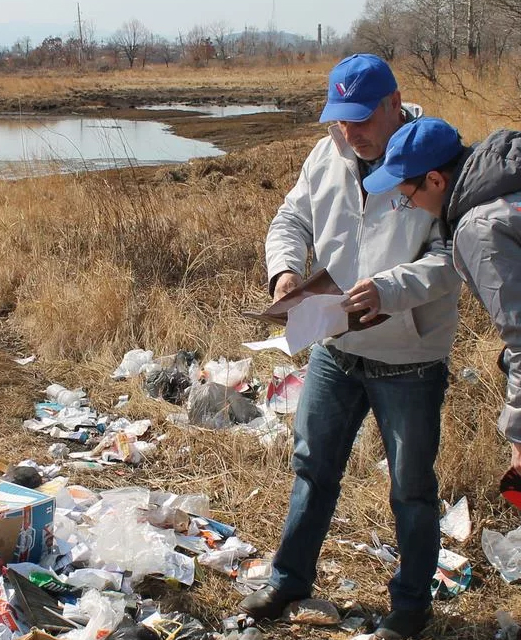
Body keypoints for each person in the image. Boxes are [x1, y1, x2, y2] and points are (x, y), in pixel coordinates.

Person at [240, 54, 461, 639]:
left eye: (361, 118)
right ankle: (289, 580)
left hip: (409, 359)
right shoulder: (328, 154)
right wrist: (285, 273)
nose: (349, 132)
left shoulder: (434, 157)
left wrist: (391, 289)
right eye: (339, 119)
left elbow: (451, 258)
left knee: (411, 488)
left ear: (394, 103)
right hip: (335, 348)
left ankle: (410, 607)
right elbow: (291, 219)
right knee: (312, 466)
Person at [362, 117, 521, 474]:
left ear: (435, 179)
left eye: (408, 198)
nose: (412, 207)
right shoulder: (507, 185)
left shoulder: (480, 229)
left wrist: (519, 438)